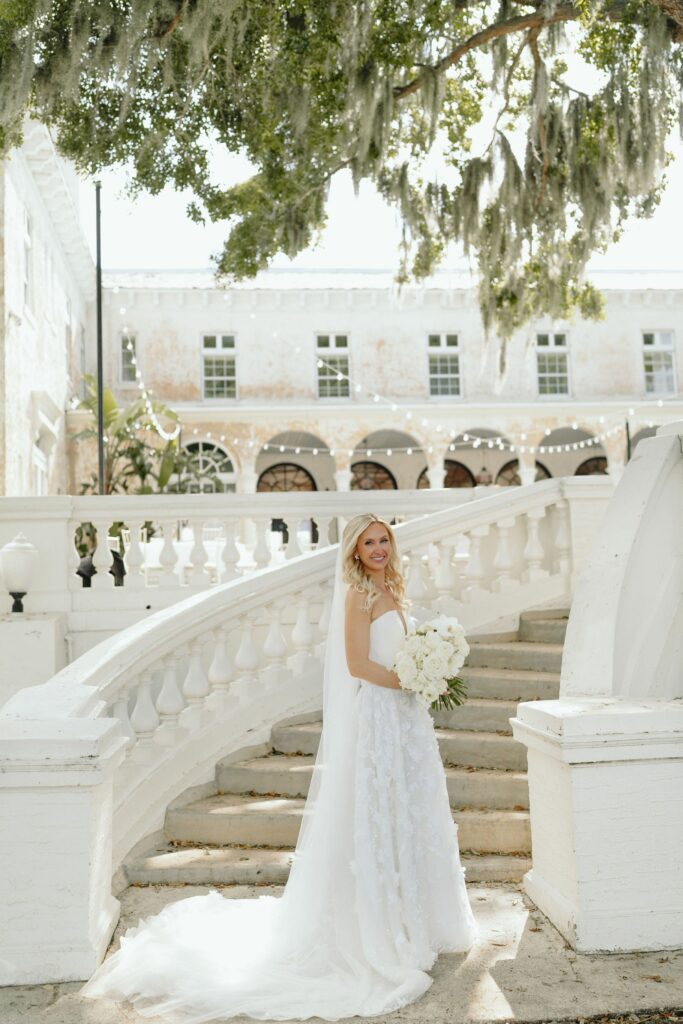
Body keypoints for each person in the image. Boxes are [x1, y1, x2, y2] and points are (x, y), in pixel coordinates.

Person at [82, 512, 477, 1022]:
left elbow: (399, 651)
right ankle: (378, 926)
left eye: (383, 540)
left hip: (406, 722)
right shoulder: (359, 594)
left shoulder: (393, 587)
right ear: (354, 551)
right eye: (368, 542)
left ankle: (418, 917)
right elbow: (357, 665)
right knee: (378, 814)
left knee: (412, 812)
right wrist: (413, 679)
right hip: (380, 716)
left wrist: (429, 670)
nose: (378, 548)